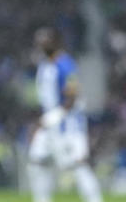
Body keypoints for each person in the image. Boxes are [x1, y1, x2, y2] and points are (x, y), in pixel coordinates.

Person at [27, 26, 103, 202]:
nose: (41, 45)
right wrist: (42, 119)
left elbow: (73, 97)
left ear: (55, 42)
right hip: (48, 125)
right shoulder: (44, 65)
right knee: (36, 162)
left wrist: (53, 117)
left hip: (68, 125)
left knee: (79, 165)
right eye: (38, 42)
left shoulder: (66, 64)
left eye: (44, 41)